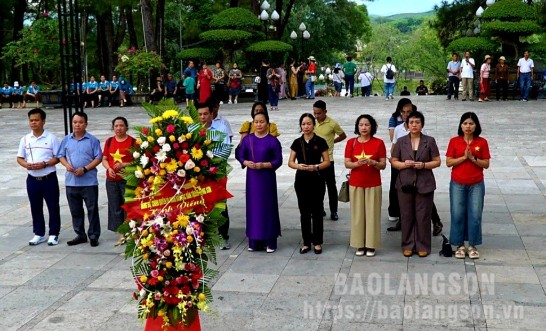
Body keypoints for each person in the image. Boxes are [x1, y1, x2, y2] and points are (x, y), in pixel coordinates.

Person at [391, 111, 441, 257]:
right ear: (406, 125)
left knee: (423, 215)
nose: (414, 125)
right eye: (411, 122)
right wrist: (403, 164)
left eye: (417, 122)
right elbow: (393, 161)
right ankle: (408, 244)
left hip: (424, 182)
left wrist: (424, 165)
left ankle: (422, 245)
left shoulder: (429, 141)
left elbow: (437, 161)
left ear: (422, 125)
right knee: (406, 215)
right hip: (405, 182)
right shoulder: (401, 141)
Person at [236, 111, 282, 253]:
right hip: (252, 179)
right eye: (256, 122)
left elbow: (278, 160)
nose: (259, 124)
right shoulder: (247, 139)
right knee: (253, 208)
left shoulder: (273, 141)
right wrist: (245, 162)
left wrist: (264, 165)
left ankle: (270, 241)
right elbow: (240, 154)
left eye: (261, 122)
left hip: (267, 178)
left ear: (267, 123)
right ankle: (254, 241)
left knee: (268, 208)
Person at [446, 112, 490, 259]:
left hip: (476, 184)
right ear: (460, 125)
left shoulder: (482, 142)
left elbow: (486, 164)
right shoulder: (454, 141)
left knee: (475, 214)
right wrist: (464, 157)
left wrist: (472, 158)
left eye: (471, 123)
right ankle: (459, 245)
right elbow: (448, 162)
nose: (468, 126)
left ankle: (472, 245)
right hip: (457, 183)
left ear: (476, 125)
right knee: (457, 213)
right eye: (465, 123)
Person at [57, 112, 103, 247]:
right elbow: (60, 156)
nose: (77, 125)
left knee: (92, 209)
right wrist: (67, 165)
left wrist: (85, 168)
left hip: (89, 182)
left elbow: (98, 158)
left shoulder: (92, 140)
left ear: (86, 124)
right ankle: (80, 234)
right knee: (75, 210)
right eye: (75, 122)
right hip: (71, 182)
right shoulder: (66, 139)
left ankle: (94, 235)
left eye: (80, 122)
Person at [17, 108, 61, 246]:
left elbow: (58, 157)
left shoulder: (52, 138)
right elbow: (19, 158)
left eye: (36, 120)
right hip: (32, 179)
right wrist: (27, 165)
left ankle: (54, 234)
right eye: (31, 120)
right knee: (35, 206)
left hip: (48, 178)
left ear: (43, 121)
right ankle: (39, 233)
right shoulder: (25, 139)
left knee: (53, 206)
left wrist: (45, 164)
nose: (33, 123)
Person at [344, 114, 386, 257]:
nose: (364, 127)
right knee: (357, 215)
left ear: (372, 127)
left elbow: (383, 165)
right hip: (356, 183)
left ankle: (371, 244)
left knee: (372, 215)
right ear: (357, 126)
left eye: (367, 125)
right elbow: (347, 163)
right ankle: (358, 244)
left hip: (373, 184)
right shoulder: (351, 142)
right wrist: (357, 164)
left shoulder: (379, 143)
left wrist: (373, 163)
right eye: (361, 124)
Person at [288, 113, 330, 255]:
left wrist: (316, 167)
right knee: (304, 212)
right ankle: (306, 242)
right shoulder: (296, 142)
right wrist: (299, 166)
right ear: (300, 126)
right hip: (301, 180)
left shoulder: (321, 141)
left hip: (317, 179)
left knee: (317, 211)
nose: (306, 126)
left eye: (309, 123)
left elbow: (327, 161)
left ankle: (317, 242)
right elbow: (290, 162)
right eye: (303, 124)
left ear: (314, 125)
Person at [197, 99, 233, 250]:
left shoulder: (221, 127)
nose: (203, 117)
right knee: (199, 204)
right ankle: (200, 236)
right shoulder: (192, 129)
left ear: (212, 114)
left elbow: (225, 149)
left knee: (219, 204)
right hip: (198, 174)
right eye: (200, 114)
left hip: (216, 172)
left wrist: (209, 164)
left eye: (206, 114)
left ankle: (222, 236)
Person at [101, 116, 135, 245]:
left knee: (128, 206)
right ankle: (121, 232)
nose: (118, 128)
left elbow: (138, 160)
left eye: (121, 125)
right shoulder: (109, 141)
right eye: (116, 126)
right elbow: (104, 159)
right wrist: (109, 168)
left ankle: (130, 231)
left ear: (126, 127)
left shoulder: (132, 142)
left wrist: (124, 165)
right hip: (112, 180)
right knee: (115, 206)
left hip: (127, 180)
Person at [313, 100, 346, 221]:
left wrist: (332, 142)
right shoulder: (312, 123)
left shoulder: (332, 123)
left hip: (328, 160)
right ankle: (319, 209)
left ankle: (334, 211)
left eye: (319, 113)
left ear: (325, 112)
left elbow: (343, 135)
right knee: (317, 187)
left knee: (331, 187)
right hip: (315, 160)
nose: (317, 116)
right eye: (315, 113)